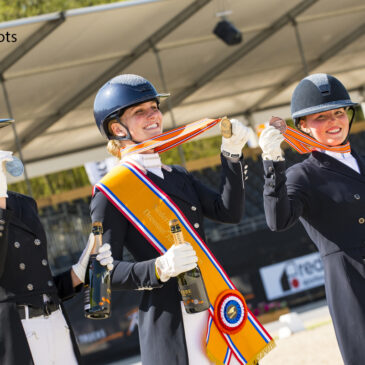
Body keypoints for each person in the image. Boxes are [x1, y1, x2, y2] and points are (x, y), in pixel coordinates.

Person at [91, 74, 250, 365]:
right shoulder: (111, 192)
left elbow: (229, 212)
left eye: (154, 108)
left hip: (214, 308)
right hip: (170, 317)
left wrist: (232, 156)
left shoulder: (177, 175)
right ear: (117, 128)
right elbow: (102, 274)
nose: (153, 116)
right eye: (140, 112)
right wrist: (159, 267)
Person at [258, 73, 365, 365]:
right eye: (321, 117)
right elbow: (278, 221)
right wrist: (272, 165)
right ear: (302, 125)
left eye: (339, 112)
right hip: (352, 283)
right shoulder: (301, 175)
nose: (334, 121)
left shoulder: (362, 160)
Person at [0, 118, 114, 365]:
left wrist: (77, 273)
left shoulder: (23, 204)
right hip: (16, 333)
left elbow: (36, 282)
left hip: (55, 323)